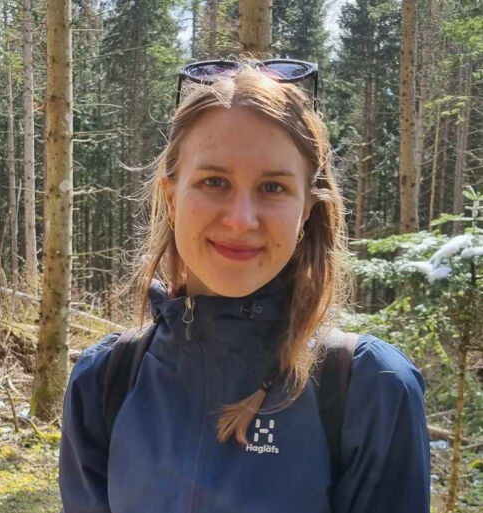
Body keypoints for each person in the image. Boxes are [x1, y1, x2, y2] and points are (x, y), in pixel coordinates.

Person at [58, 59, 430, 513]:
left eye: (273, 188)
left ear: (307, 209)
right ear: (172, 197)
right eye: (214, 181)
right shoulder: (104, 382)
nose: (240, 219)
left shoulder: (371, 387)